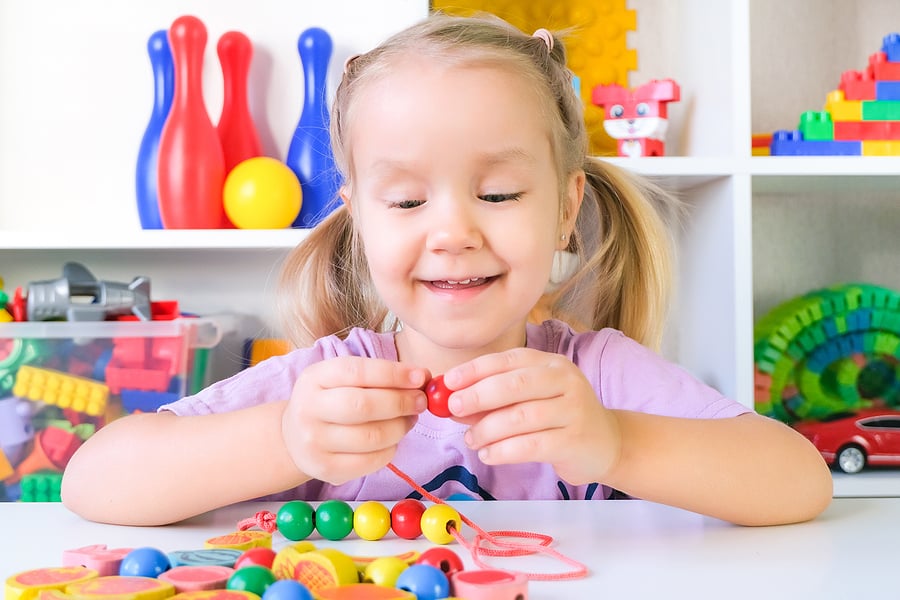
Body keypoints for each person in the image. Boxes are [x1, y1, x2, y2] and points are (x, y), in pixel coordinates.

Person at [61, 13, 832, 527]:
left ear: (566, 208)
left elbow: (801, 482)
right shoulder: (326, 385)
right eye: (404, 201)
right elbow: (90, 482)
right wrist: (287, 440)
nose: (454, 231)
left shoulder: (599, 377)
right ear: (358, 217)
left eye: (497, 192)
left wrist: (614, 443)